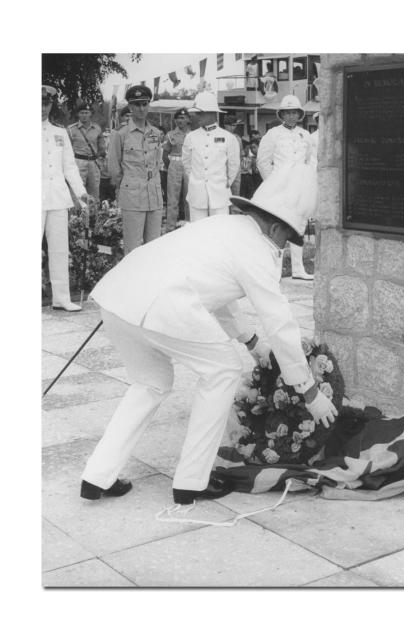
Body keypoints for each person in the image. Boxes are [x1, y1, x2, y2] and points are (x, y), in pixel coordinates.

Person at [80, 163, 337, 504]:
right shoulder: (259, 249)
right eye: (286, 237)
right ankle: (191, 482)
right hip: (161, 303)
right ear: (276, 225)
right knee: (223, 370)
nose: (283, 244)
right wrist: (308, 391)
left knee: (150, 384)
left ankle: (96, 476)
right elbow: (280, 321)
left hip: (118, 297)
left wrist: (251, 341)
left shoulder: (223, 226)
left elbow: (218, 292)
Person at [42, 85, 93, 312]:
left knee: (60, 249)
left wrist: (82, 195)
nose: (42, 108)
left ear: (51, 104)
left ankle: (61, 298)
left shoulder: (60, 132)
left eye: (46, 103)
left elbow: (70, 167)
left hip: (58, 198)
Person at [257, 94, 314, 280]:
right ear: (281, 114)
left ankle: (298, 269)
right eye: (287, 113)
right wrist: (272, 183)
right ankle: (275, 269)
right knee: (278, 228)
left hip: (299, 186)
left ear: (300, 115)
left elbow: (308, 160)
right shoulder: (273, 134)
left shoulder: (305, 135)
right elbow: (263, 161)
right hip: (279, 187)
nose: (291, 116)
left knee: (299, 226)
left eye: (294, 113)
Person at [107, 85, 164, 254]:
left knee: (154, 247)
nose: (141, 108)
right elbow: (114, 167)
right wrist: (125, 185)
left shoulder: (156, 133)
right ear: (130, 107)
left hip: (154, 196)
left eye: (144, 104)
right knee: (132, 248)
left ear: (149, 105)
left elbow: (158, 161)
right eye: (137, 104)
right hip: (132, 196)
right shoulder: (120, 133)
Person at [182, 92, 240, 221]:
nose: (197, 117)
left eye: (200, 113)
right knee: (197, 234)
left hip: (220, 194)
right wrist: (195, 180)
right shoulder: (190, 137)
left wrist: (224, 183)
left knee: (219, 233)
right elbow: (186, 163)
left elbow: (233, 166)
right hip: (197, 194)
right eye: (196, 113)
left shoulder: (228, 138)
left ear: (212, 113)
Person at [67, 103, 106, 202]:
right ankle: (76, 215)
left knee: (94, 191)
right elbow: (67, 149)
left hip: (93, 163)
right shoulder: (71, 129)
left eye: (86, 112)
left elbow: (101, 145)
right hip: (78, 162)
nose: (84, 115)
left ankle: (94, 216)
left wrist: (100, 158)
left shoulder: (97, 128)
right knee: (77, 191)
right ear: (78, 114)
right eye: (82, 113)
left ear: (90, 114)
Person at [163, 108, 191, 231]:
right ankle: (170, 227)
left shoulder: (193, 135)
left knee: (189, 197)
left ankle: (190, 225)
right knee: (172, 198)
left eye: (183, 118)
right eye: (178, 118)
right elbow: (165, 155)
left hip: (189, 166)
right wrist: (170, 166)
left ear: (188, 119)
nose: (181, 120)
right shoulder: (170, 135)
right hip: (174, 164)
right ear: (175, 120)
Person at [223, 114, 244, 211]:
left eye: (234, 125)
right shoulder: (220, 137)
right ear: (225, 125)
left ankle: (234, 214)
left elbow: (241, 154)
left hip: (236, 168)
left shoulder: (238, 138)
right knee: (223, 193)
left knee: (235, 194)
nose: (232, 127)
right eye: (230, 125)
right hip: (223, 168)